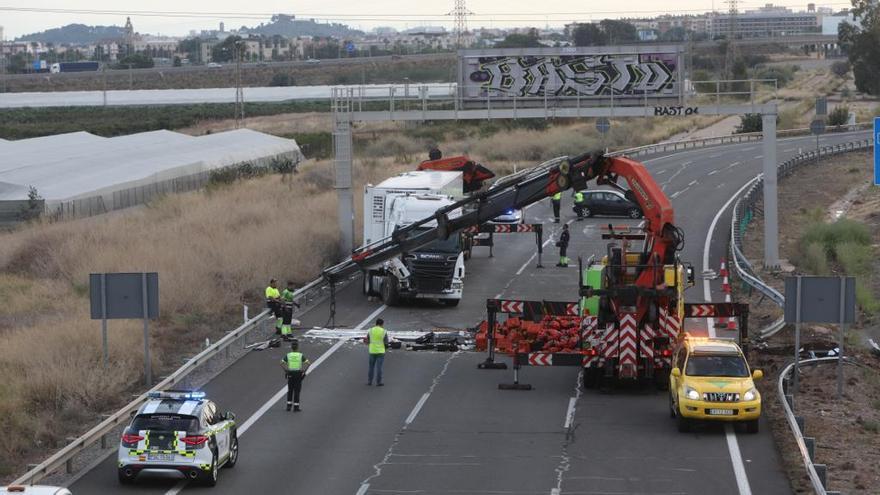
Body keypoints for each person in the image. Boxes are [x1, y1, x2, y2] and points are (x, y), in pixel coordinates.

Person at [280, 339, 310, 412]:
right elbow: (308, 363)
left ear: (291, 347)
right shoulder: (300, 355)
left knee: (290, 390)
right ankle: (296, 407)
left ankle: (288, 406)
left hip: (290, 373)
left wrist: (286, 370)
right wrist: (304, 371)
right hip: (298, 374)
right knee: (297, 390)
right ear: (297, 347)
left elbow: (281, 363)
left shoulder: (288, 355)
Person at [365, 318, 389, 386]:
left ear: (376, 323)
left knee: (371, 367)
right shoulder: (384, 331)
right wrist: (385, 348)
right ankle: (379, 382)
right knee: (379, 368)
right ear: (382, 324)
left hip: (372, 351)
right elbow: (386, 343)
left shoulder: (371, 330)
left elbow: (367, 341)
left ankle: (369, 381)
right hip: (381, 352)